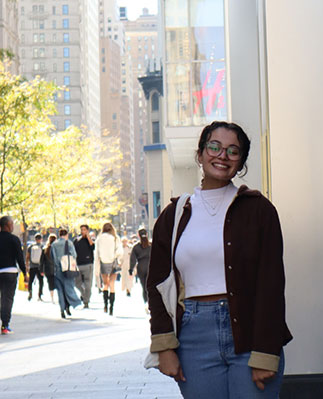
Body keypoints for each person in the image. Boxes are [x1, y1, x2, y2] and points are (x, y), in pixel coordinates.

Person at [147, 121, 293, 398]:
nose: (222, 156)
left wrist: (266, 351)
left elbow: (271, 285)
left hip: (250, 334)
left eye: (233, 151)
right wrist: (164, 346)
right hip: (193, 336)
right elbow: (156, 284)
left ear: (241, 162)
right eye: (214, 147)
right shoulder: (174, 215)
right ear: (200, 153)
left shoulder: (259, 210)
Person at [0, 215, 27, 334]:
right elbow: (20, 258)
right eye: (11, 224)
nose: (12, 226)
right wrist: (25, 272)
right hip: (10, 272)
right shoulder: (14, 239)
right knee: (7, 299)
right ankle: (5, 325)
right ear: (7, 225)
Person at [51, 228, 81, 318]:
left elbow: (54, 258)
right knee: (68, 288)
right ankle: (70, 305)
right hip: (67, 270)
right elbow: (74, 255)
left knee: (60, 290)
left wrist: (57, 265)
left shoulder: (54, 244)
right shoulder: (69, 243)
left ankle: (62, 310)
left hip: (57, 270)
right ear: (66, 235)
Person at [94, 223, 123, 315]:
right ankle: (111, 307)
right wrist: (117, 259)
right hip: (113, 262)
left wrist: (97, 267)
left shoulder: (99, 239)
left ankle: (105, 304)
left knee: (105, 284)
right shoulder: (115, 238)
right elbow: (120, 251)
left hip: (103, 262)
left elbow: (97, 253)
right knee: (112, 284)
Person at [73, 224, 95, 308]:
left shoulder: (90, 240)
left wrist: (88, 237)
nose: (83, 231)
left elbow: (92, 247)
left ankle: (86, 301)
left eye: (85, 230)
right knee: (77, 283)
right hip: (78, 265)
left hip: (88, 264)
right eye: (82, 229)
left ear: (87, 230)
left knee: (88, 285)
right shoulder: (76, 240)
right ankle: (84, 294)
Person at [129, 229, 151, 308]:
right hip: (150, 267)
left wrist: (130, 269)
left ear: (138, 235)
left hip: (141, 268)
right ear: (147, 234)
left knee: (144, 287)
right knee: (150, 286)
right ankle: (150, 301)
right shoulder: (151, 246)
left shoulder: (136, 247)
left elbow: (133, 259)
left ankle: (146, 302)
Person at [26, 233, 44, 301]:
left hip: (32, 266)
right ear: (41, 239)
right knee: (41, 281)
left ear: (35, 239)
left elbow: (27, 257)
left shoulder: (30, 246)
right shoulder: (43, 247)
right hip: (40, 267)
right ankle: (40, 295)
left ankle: (30, 292)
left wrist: (27, 266)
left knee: (31, 280)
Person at [40, 234, 57, 304]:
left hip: (48, 269)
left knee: (50, 283)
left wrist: (41, 270)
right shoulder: (57, 248)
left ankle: (52, 297)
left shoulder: (45, 249)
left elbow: (41, 261)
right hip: (56, 269)